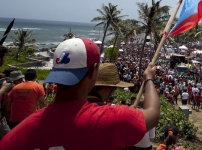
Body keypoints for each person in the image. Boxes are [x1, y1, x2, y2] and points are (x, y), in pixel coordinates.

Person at [0, 37, 160, 149]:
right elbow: (152, 114)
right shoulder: (110, 119)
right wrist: (149, 79)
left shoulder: (16, 136)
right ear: (93, 72)